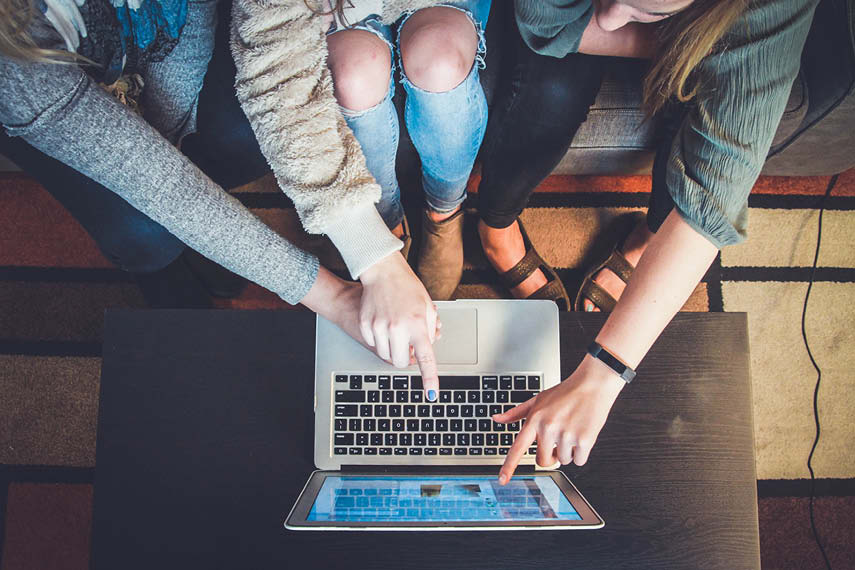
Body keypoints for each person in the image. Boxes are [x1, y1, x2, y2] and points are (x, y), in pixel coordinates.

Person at [0, 0, 442, 398]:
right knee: (141, 232)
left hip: (163, 62)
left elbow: (187, 27)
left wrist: (167, 145)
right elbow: (158, 184)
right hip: (55, 108)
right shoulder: (12, 58)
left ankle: (208, 236)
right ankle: (169, 266)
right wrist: (339, 295)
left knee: (244, 141)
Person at [481, 0, 819, 483]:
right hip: (568, 19)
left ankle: (650, 236)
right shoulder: (616, 12)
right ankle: (494, 225)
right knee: (553, 88)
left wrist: (603, 373)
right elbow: (544, 25)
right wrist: (690, 43)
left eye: (642, 5)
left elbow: (710, 198)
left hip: (709, 23)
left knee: (709, 122)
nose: (614, 15)